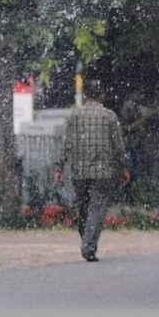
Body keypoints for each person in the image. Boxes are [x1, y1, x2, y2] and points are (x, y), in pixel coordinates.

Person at [53, 80, 130, 262]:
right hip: (103, 172)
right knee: (96, 209)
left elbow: (66, 145)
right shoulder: (110, 117)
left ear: (86, 96)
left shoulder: (74, 116)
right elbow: (118, 146)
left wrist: (59, 168)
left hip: (78, 172)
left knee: (83, 208)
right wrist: (123, 167)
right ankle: (88, 245)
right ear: (102, 95)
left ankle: (87, 241)